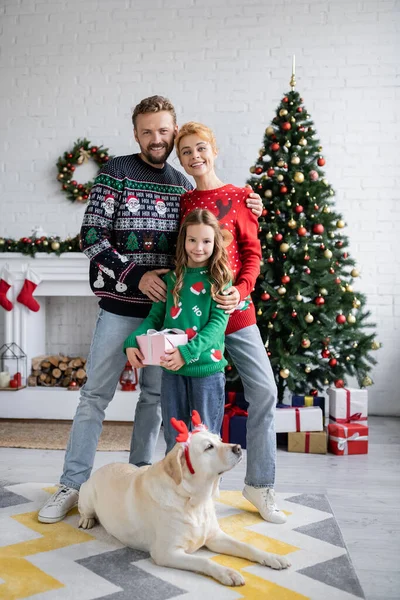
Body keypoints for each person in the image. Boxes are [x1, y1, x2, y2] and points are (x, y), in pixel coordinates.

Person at [38, 96, 262, 524]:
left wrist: (253, 205)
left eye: (164, 131)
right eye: (147, 131)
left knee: (155, 398)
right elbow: (91, 236)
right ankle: (71, 484)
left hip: (170, 314)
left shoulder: (182, 185)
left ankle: (139, 477)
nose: (156, 139)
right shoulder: (116, 172)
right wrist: (134, 276)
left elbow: (208, 234)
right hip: (122, 305)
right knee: (94, 396)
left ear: (174, 132)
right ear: (135, 133)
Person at [174, 122, 286, 524]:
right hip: (196, 321)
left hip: (237, 315)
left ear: (214, 149)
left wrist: (241, 289)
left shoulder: (242, 198)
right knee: (196, 409)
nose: (194, 157)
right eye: (185, 152)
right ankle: (195, 490)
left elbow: (252, 255)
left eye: (200, 148)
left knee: (265, 391)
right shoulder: (184, 202)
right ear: (180, 159)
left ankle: (259, 484)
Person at [124, 209, 231, 446]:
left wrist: (187, 352)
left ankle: (206, 485)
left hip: (207, 371)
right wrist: (133, 341)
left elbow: (217, 325)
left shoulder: (221, 280)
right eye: (192, 240)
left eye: (206, 241)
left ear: (215, 243)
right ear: (183, 241)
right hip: (172, 372)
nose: (198, 247)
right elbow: (154, 319)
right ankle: (176, 484)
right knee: (175, 440)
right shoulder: (172, 279)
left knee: (206, 440)